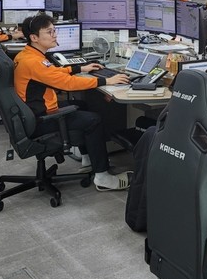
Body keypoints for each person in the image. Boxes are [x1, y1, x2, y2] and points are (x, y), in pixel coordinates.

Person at [13, 14, 132, 191]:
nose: (54, 35)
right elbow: (67, 84)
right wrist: (106, 81)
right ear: (34, 37)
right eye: (49, 32)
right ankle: (102, 177)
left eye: (54, 31)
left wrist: (79, 68)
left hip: (31, 114)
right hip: (40, 120)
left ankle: (88, 160)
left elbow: (52, 73)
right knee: (94, 120)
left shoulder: (28, 55)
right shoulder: (33, 62)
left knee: (82, 106)